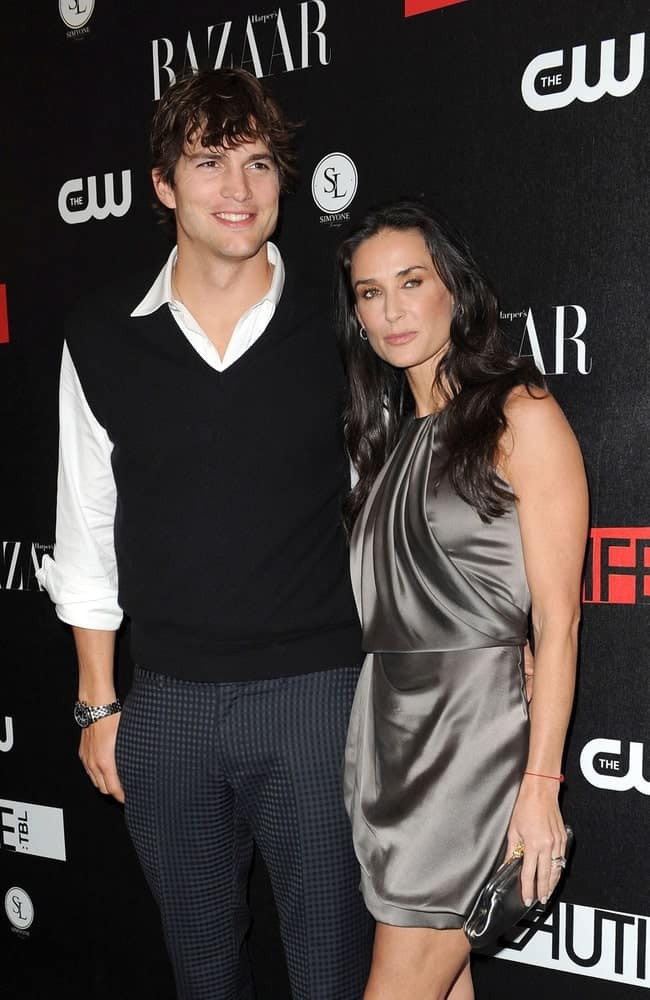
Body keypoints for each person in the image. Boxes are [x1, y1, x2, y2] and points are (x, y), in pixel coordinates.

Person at [37, 69, 374, 999]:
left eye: (259, 163)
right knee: (202, 974)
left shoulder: (341, 319)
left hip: (319, 698)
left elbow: (387, 504)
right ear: (161, 185)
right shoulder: (103, 333)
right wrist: (99, 702)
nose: (239, 189)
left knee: (333, 972)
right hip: (170, 707)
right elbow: (87, 521)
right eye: (209, 163)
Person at [335, 200, 588, 1000]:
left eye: (412, 282)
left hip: (470, 748)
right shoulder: (383, 442)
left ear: (456, 290)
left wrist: (540, 787)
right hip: (389, 739)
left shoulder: (522, 415)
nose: (392, 309)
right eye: (370, 293)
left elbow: (558, 621)